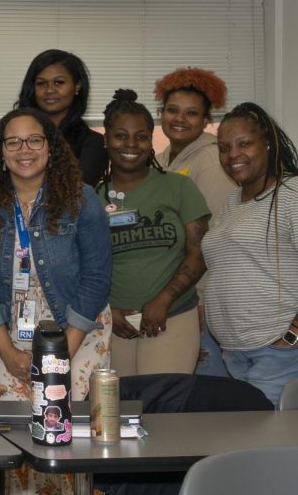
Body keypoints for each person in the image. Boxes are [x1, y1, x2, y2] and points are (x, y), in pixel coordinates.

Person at [0, 108, 111, 493]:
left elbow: (97, 279)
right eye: (12, 141)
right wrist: (7, 351)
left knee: (68, 440)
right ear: (0, 152)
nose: (24, 149)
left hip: (77, 331)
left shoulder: (81, 199)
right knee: (16, 442)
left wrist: (61, 353)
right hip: (10, 338)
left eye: (34, 140)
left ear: (51, 147)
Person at [97, 90, 208, 376]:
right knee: (116, 413)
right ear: (107, 139)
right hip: (114, 323)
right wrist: (108, 310)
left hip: (171, 316)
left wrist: (163, 300)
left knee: (163, 408)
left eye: (141, 136)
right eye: (121, 135)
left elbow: (198, 253)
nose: (131, 144)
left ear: (150, 140)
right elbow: (82, 266)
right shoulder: (90, 198)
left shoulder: (179, 187)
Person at [201, 103, 298, 406]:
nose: (233, 155)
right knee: (248, 441)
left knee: (265, 444)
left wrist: (293, 335)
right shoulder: (232, 204)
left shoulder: (291, 194)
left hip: (277, 352)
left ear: (267, 143)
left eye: (244, 144)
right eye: (224, 147)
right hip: (234, 352)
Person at [153, 67, 236, 376]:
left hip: (200, 299)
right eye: (173, 110)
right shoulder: (161, 160)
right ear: (161, 113)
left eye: (191, 113)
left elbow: (213, 239)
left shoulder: (211, 161)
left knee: (204, 390)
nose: (179, 119)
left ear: (206, 121)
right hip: (173, 295)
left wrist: (200, 301)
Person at [15, 49, 107, 186]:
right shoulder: (13, 136)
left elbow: (78, 195)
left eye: (58, 82)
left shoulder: (92, 143)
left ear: (77, 87)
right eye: (41, 83)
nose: (49, 90)